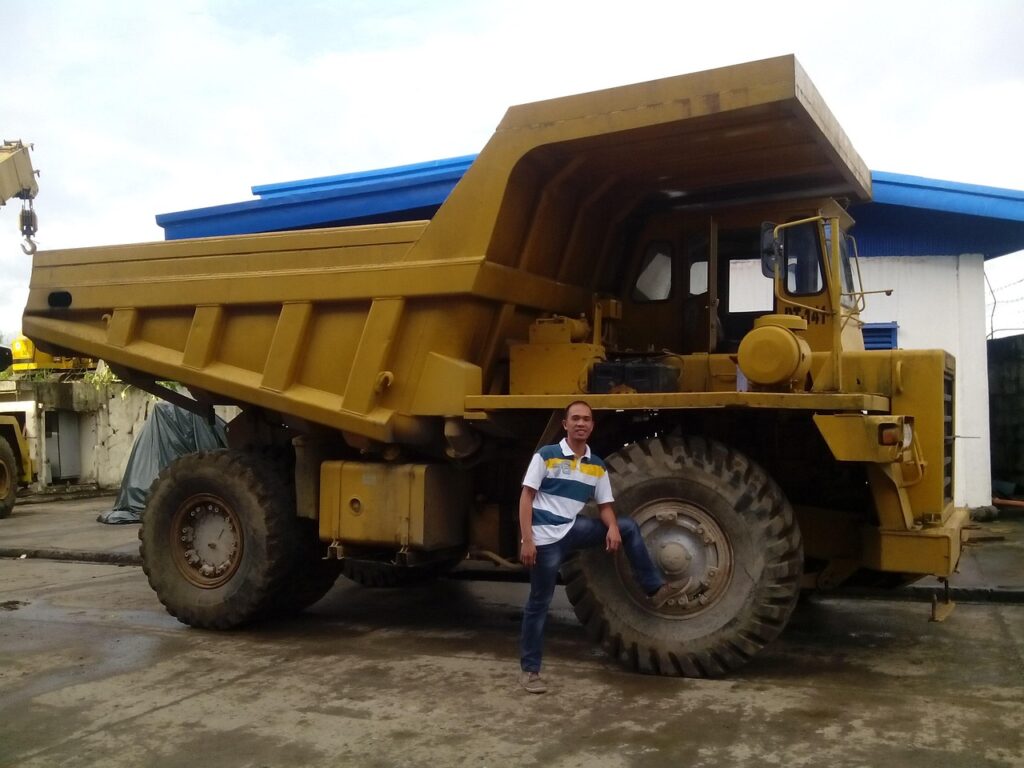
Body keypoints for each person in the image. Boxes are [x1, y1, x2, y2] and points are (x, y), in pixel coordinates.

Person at [518, 400, 684, 694]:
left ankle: (654, 588)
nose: (581, 423)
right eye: (575, 419)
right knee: (538, 604)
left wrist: (611, 528)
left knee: (627, 526)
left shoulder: (596, 466)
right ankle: (530, 672)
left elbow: (606, 505)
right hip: (544, 538)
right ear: (565, 425)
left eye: (586, 419)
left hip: (572, 528)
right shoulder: (547, 456)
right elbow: (526, 497)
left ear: (592, 426)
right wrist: (527, 540)